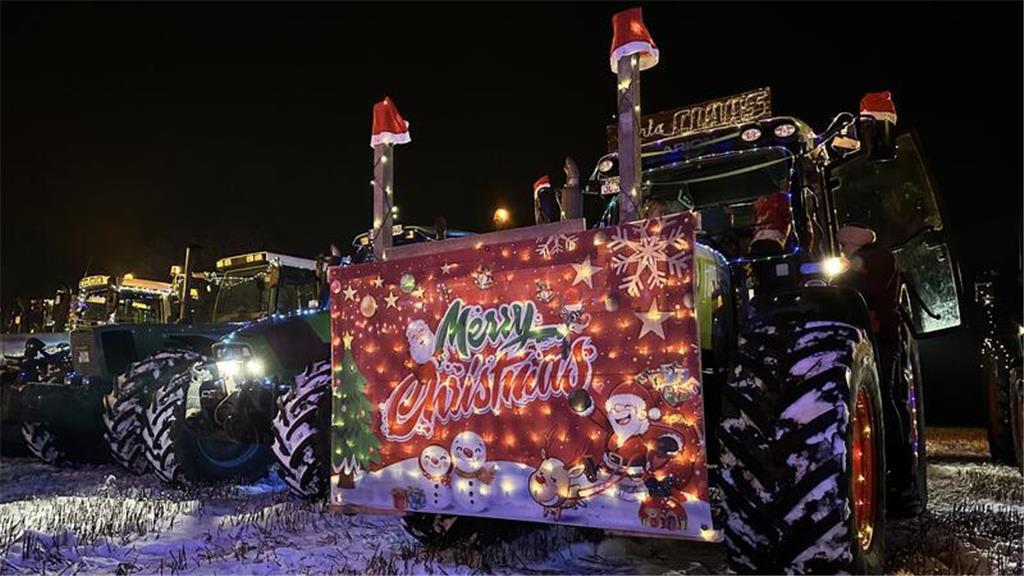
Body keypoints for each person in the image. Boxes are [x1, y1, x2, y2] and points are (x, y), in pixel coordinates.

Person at [835, 224, 912, 507]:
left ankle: (901, 476)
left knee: (887, 401)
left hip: (882, 338)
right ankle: (897, 474)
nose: (842, 250)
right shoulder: (872, 261)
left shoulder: (873, 263)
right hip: (880, 336)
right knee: (887, 401)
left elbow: (870, 297)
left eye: (843, 245)